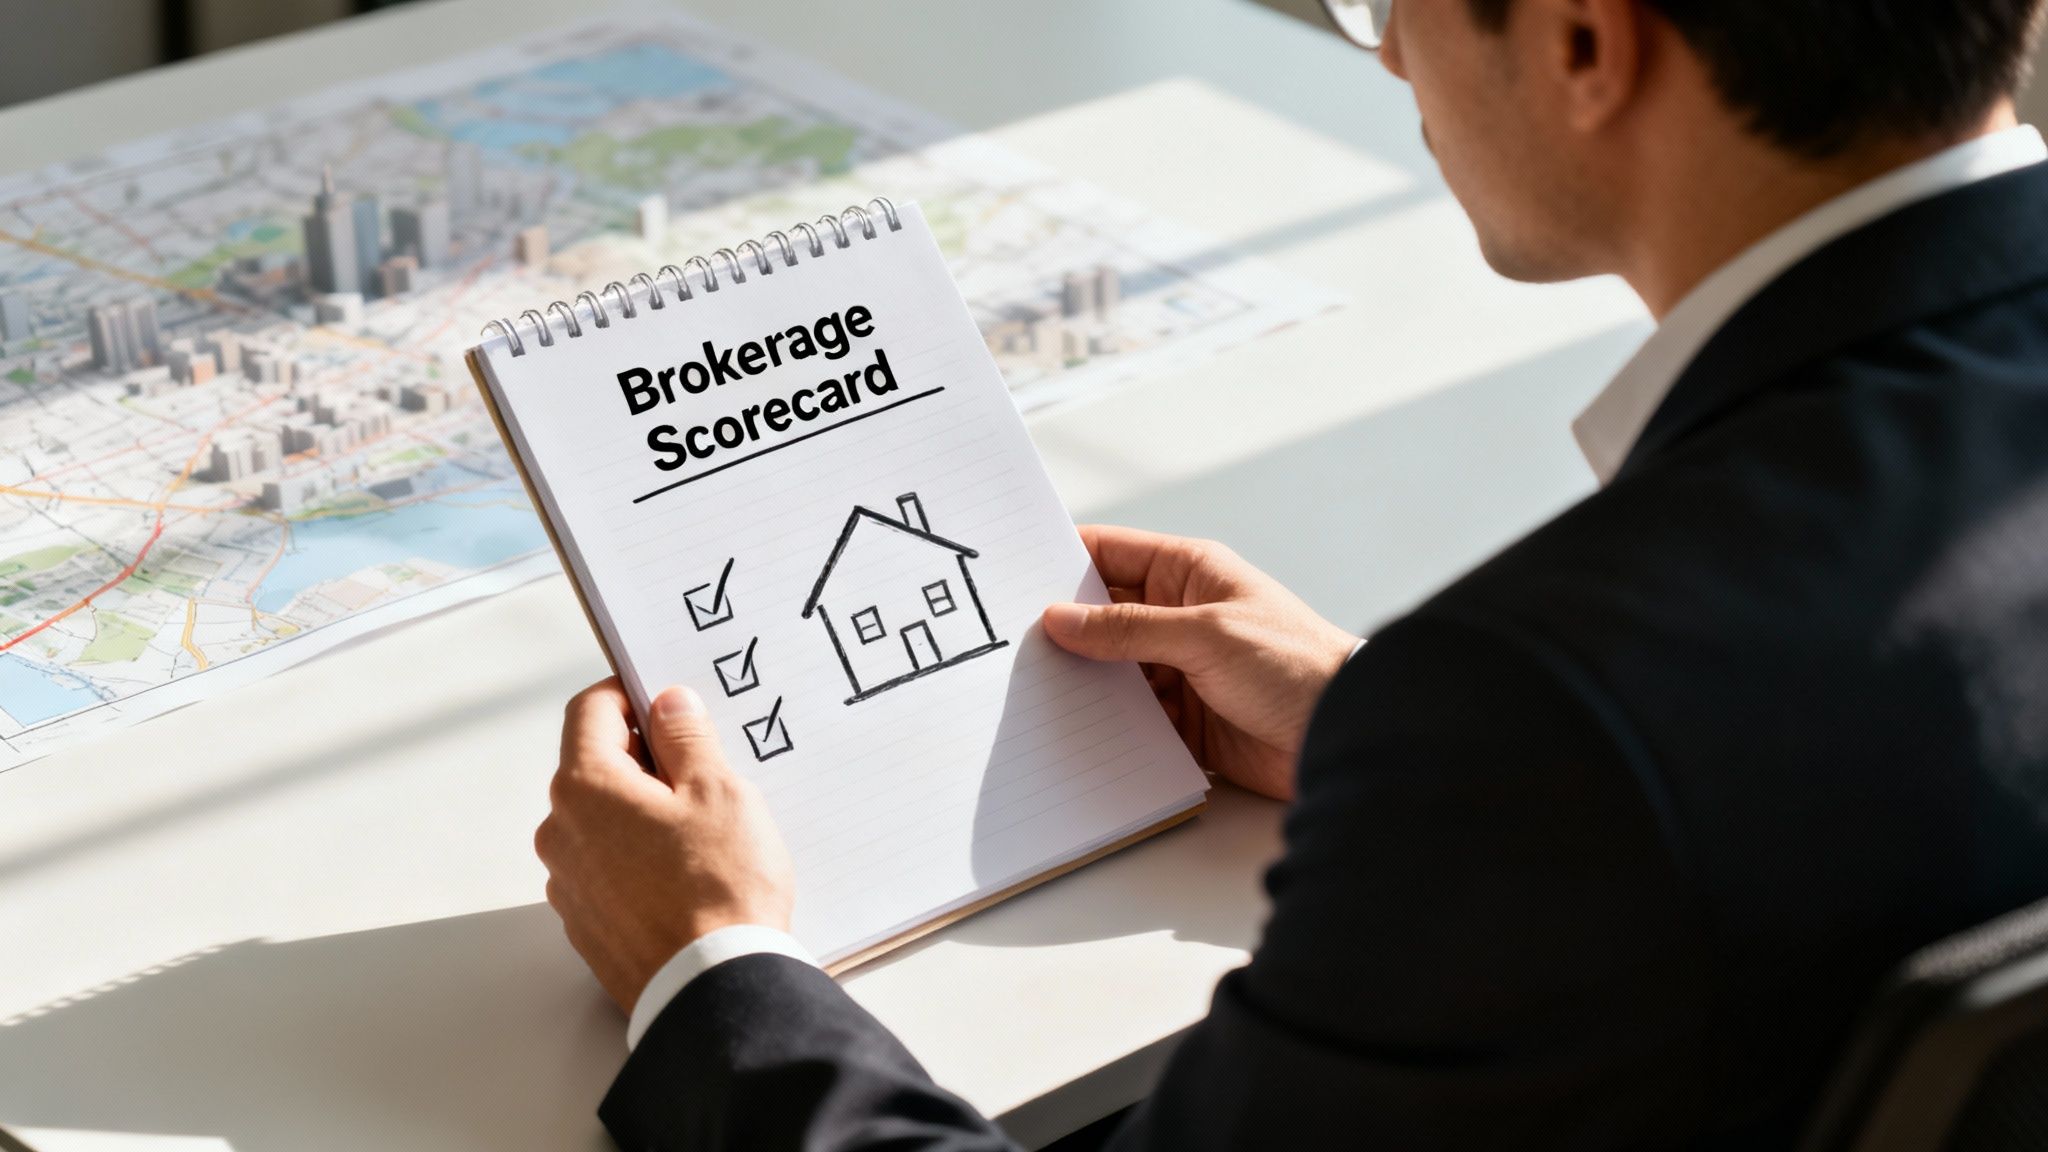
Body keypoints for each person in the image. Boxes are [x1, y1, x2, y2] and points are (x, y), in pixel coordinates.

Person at [534, 0, 2048, 1146]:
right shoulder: (1567, 723)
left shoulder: (1550, 712)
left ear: (1588, 43)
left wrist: (710, 972)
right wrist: (1372, 730)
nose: (1386, 59)